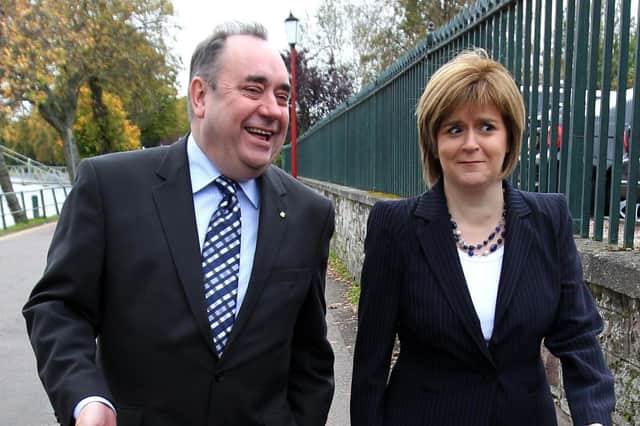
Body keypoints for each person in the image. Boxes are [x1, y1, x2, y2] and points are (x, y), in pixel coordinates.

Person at [24, 22, 335, 426]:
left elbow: (310, 355)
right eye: (253, 90)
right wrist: (86, 398)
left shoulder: (309, 213)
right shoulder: (110, 187)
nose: (274, 110)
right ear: (201, 96)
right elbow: (58, 307)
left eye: (283, 96)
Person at [350, 49, 615, 426]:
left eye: (487, 127)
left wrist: (594, 418)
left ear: (509, 138)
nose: (471, 142)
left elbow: (578, 336)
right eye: (454, 128)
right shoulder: (395, 227)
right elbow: (370, 365)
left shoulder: (548, 219)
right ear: (434, 143)